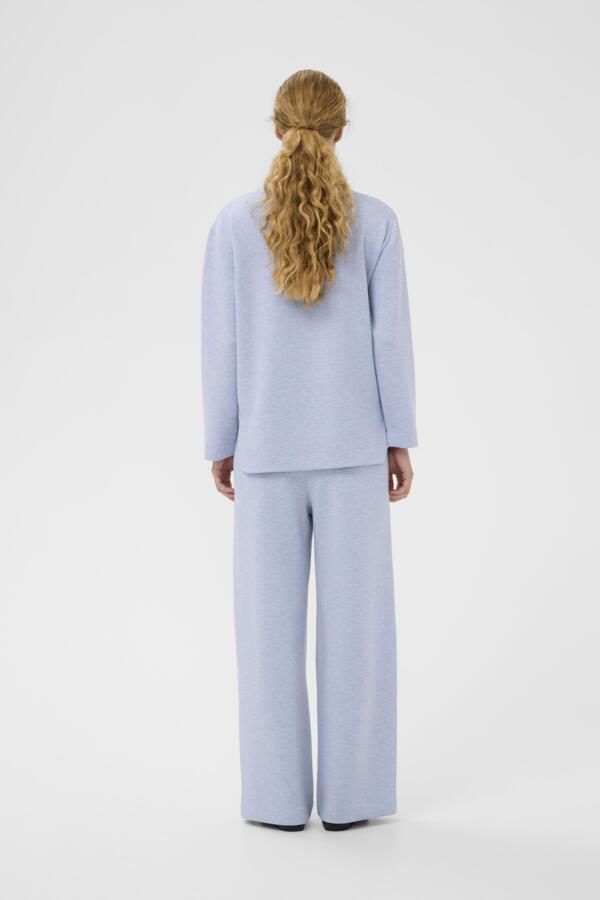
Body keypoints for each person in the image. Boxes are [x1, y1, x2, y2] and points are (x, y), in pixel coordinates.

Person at [201, 69, 417, 832]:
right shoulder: (377, 223)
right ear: (340, 131)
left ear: (276, 128)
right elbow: (389, 339)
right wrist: (398, 437)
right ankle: (354, 802)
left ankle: (275, 803)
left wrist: (221, 440)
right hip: (354, 453)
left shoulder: (234, 224)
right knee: (359, 635)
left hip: (264, 454)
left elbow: (222, 342)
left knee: (265, 636)